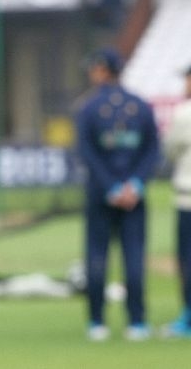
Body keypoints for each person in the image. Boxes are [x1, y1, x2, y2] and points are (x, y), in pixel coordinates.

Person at [74, 47, 160, 341]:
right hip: (133, 196)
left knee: (97, 257)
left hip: (101, 195)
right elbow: (153, 152)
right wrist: (134, 184)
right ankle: (137, 322)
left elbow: (87, 153)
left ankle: (97, 321)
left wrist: (111, 186)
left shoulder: (88, 107)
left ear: (101, 70)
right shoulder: (141, 105)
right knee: (134, 257)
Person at [161, 65, 191, 338]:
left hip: (188, 201)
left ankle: (189, 318)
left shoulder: (184, 114)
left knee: (188, 260)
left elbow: (171, 150)